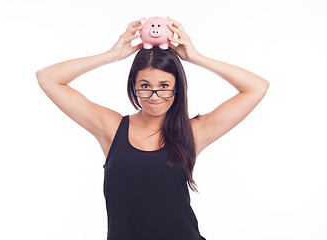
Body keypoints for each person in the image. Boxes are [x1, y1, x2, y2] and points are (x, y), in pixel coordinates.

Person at [36, 19, 269, 240]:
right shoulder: (112, 128)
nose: (155, 95)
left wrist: (196, 58)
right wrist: (112, 55)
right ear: (134, 86)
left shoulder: (193, 132)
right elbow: (48, 78)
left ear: (177, 87)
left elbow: (256, 87)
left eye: (165, 86)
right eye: (145, 85)